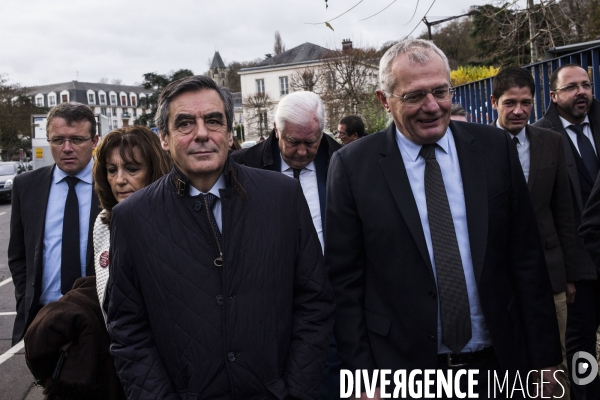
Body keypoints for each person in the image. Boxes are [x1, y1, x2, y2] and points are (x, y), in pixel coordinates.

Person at [326, 38, 561, 399]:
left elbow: (527, 259)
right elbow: (345, 282)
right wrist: (360, 377)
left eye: (440, 91)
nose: (432, 106)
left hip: (498, 364)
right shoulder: (353, 167)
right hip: (402, 371)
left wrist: (546, 360)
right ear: (383, 100)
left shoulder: (493, 149)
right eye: (415, 95)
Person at [106, 75, 334, 399]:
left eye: (213, 121)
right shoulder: (132, 218)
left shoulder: (282, 196)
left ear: (229, 134)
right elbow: (127, 329)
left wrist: (296, 392)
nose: (202, 134)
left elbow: (314, 302)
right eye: (185, 123)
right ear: (164, 139)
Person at [23, 126, 172, 400]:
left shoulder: (177, 223)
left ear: (155, 169)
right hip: (120, 363)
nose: (120, 180)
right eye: (112, 170)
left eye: (132, 168)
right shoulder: (104, 223)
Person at [231, 91, 342, 399]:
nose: (303, 151)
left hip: (330, 299)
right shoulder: (241, 167)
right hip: (266, 302)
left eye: (312, 141)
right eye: (294, 142)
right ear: (277, 130)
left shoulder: (343, 162)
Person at [491, 66, 578, 398]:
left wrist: (569, 276)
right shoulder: (477, 148)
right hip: (500, 278)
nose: (519, 111)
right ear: (494, 101)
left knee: (553, 362)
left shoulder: (550, 143)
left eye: (526, 102)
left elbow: (564, 213)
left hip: (549, 274)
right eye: (510, 102)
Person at [8, 102, 100, 346]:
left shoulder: (113, 182)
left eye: (77, 140)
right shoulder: (26, 185)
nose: (67, 148)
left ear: (94, 141)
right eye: (58, 140)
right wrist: (25, 299)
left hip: (98, 317)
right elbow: (18, 255)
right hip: (43, 316)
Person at [533, 64, 600, 399]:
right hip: (577, 266)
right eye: (571, 87)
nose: (581, 92)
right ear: (554, 95)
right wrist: (564, 273)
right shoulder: (541, 136)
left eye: (586, 85)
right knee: (580, 344)